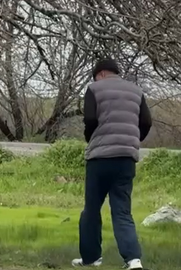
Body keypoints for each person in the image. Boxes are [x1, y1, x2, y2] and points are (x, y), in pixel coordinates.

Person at [72, 59, 151, 270]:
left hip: (99, 158)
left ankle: (91, 258)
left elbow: (89, 119)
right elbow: (146, 122)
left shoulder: (94, 88)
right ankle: (133, 260)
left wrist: (92, 138)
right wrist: (132, 141)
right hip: (126, 159)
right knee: (122, 211)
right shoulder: (136, 91)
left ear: (100, 74)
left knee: (91, 210)